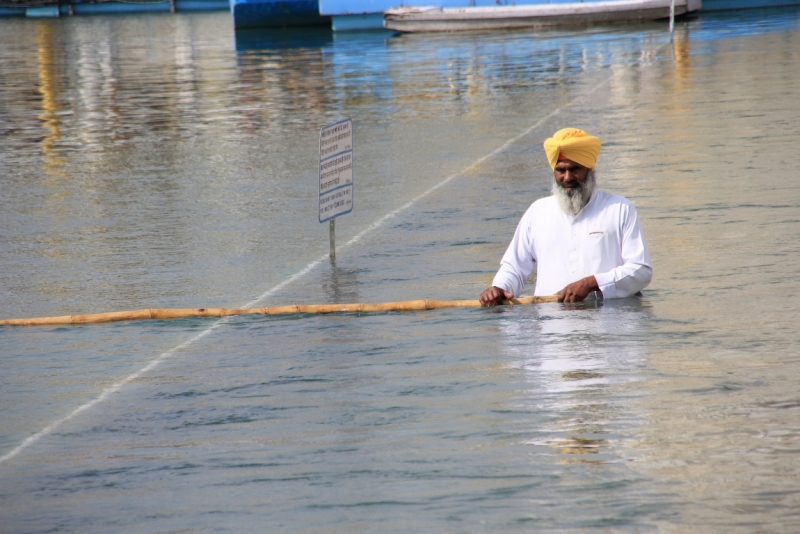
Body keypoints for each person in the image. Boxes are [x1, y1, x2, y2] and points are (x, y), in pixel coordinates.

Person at [479, 127, 652, 306]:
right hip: (551, 326)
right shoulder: (538, 211)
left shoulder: (619, 209)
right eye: (560, 170)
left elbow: (641, 271)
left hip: (607, 324)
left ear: (590, 169)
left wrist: (592, 283)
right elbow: (514, 267)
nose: (567, 177)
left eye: (575, 169)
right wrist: (499, 288)